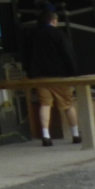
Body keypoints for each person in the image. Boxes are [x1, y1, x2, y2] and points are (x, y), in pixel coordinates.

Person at [25, 9, 80, 146]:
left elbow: (27, 55)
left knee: (44, 104)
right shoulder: (59, 34)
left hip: (40, 76)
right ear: (53, 21)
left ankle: (46, 135)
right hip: (60, 76)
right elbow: (67, 53)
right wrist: (72, 72)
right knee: (68, 104)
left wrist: (30, 73)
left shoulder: (33, 35)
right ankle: (75, 134)